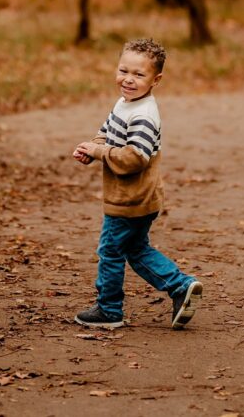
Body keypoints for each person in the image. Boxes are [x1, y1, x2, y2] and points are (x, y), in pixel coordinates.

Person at [72, 38, 202, 330]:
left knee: (110, 251)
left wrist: (100, 152)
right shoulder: (125, 103)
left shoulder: (144, 115)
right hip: (134, 197)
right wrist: (91, 149)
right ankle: (181, 287)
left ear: (156, 80)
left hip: (132, 199)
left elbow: (134, 159)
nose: (128, 79)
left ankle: (109, 310)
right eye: (123, 71)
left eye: (139, 75)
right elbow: (106, 132)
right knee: (135, 249)